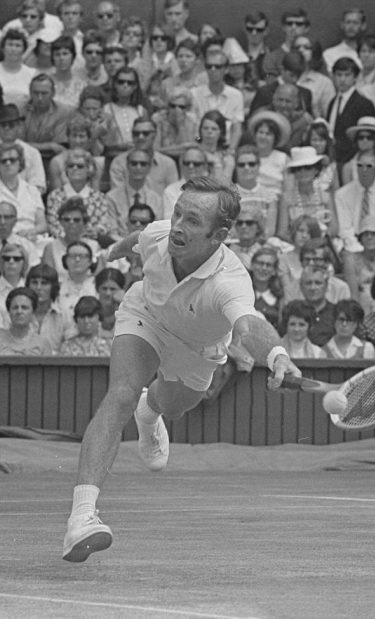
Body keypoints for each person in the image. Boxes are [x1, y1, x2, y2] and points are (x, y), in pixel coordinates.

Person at [62, 177, 300, 563]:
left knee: (172, 406)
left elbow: (248, 325)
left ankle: (151, 409)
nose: (178, 226)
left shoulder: (230, 282)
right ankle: (82, 518)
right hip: (147, 317)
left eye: (192, 220)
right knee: (120, 394)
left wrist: (277, 356)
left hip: (197, 349)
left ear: (219, 235)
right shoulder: (159, 235)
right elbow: (136, 240)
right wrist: (111, 252)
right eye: (178, 213)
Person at [335, 148, 375, 255]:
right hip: (352, 249)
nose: (364, 170)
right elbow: (345, 231)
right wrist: (360, 250)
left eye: (369, 166)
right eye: (360, 166)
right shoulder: (341, 195)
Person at [0, 142, 47, 241]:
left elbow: (42, 225)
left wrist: (30, 232)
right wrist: (15, 237)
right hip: (2, 241)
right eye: (3, 161)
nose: (8, 163)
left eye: (12, 160)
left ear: (20, 163)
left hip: (33, 238)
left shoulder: (32, 190)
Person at [279, 146, 337, 240]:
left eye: (308, 167)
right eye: (298, 168)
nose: (303, 172)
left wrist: (321, 239)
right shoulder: (286, 199)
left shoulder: (325, 197)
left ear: (316, 170)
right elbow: (282, 232)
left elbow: (334, 228)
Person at [327, 57, 375, 168]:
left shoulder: (364, 104)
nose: (342, 79)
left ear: (355, 77)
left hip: (354, 162)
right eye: (339, 75)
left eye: (347, 75)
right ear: (333, 77)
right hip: (333, 160)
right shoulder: (332, 102)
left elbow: (367, 137)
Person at [339, 116, 375, 193]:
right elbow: (346, 195)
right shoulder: (348, 167)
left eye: (369, 137)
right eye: (361, 137)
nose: (364, 140)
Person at [26, 263, 72, 353]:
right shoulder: (19, 312)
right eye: (34, 282)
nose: (38, 288)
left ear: (53, 287)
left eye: (44, 283)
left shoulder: (64, 315)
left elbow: (70, 348)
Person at [246, 109, 290, 197]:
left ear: (275, 138)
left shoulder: (283, 158)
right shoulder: (247, 155)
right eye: (260, 132)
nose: (263, 137)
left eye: (268, 134)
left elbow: (287, 189)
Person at [0, 29, 37, 111]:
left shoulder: (32, 73)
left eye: (17, 45)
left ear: (24, 50)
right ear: (3, 48)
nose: (13, 49)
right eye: (10, 44)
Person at [0, 242, 30, 315]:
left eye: (16, 259)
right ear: (0, 262)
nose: (11, 261)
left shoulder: (31, 287)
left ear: (24, 263)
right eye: (6, 258)